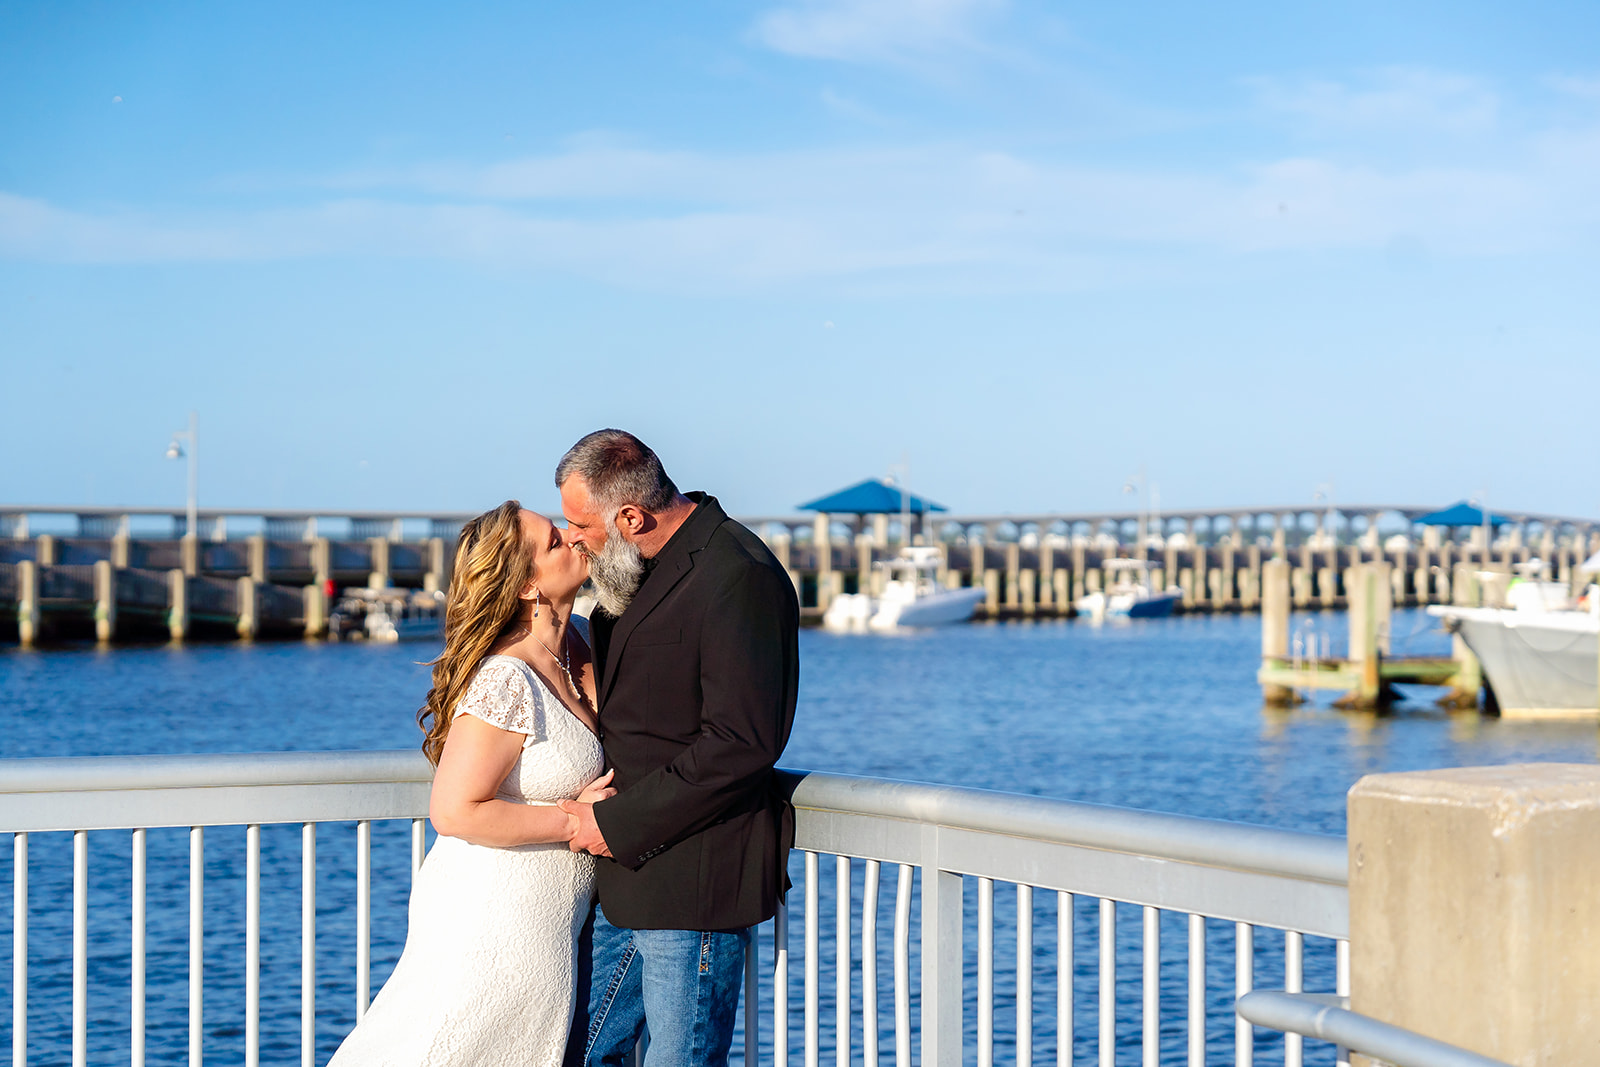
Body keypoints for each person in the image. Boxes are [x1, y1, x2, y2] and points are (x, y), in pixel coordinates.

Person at [329, 500, 616, 1067]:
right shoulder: (505, 678)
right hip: (490, 919)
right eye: (553, 541)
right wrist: (575, 821)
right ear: (528, 585)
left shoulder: (583, 642)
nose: (570, 536)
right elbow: (455, 809)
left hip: (550, 926)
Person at [556, 429, 800, 1067]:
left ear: (631, 517)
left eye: (580, 524)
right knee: (582, 1053)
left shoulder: (736, 574)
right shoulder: (632, 568)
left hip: (694, 880)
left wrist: (616, 822)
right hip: (626, 879)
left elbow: (742, 740)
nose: (573, 538)